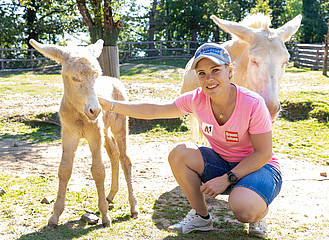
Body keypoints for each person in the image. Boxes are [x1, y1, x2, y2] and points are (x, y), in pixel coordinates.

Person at [98, 43, 282, 238]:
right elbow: (155, 110)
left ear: (229, 71)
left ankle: (259, 213)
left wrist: (226, 179)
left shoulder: (253, 103)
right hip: (223, 163)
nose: (208, 79)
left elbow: (263, 153)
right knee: (180, 153)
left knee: (244, 209)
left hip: (260, 167)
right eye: (201, 73)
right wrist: (110, 105)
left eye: (215, 70)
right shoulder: (197, 99)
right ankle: (201, 218)